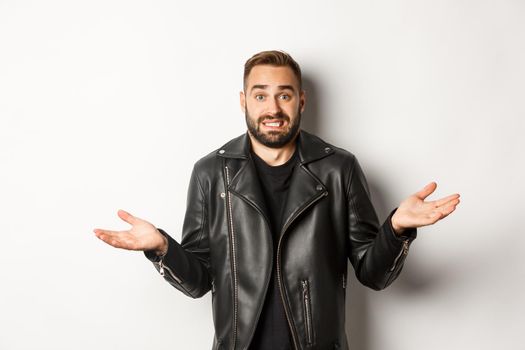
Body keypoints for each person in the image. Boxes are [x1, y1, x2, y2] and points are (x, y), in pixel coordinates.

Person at [93, 50, 460, 350]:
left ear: (300, 100)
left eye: (284, 94)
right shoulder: (210, 174)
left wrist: (397, 229)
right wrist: (161, 247)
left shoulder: (338, 168)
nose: (273, 108)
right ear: (244, 102)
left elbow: (373, 274)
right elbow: (200, 280)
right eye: (261, 95)